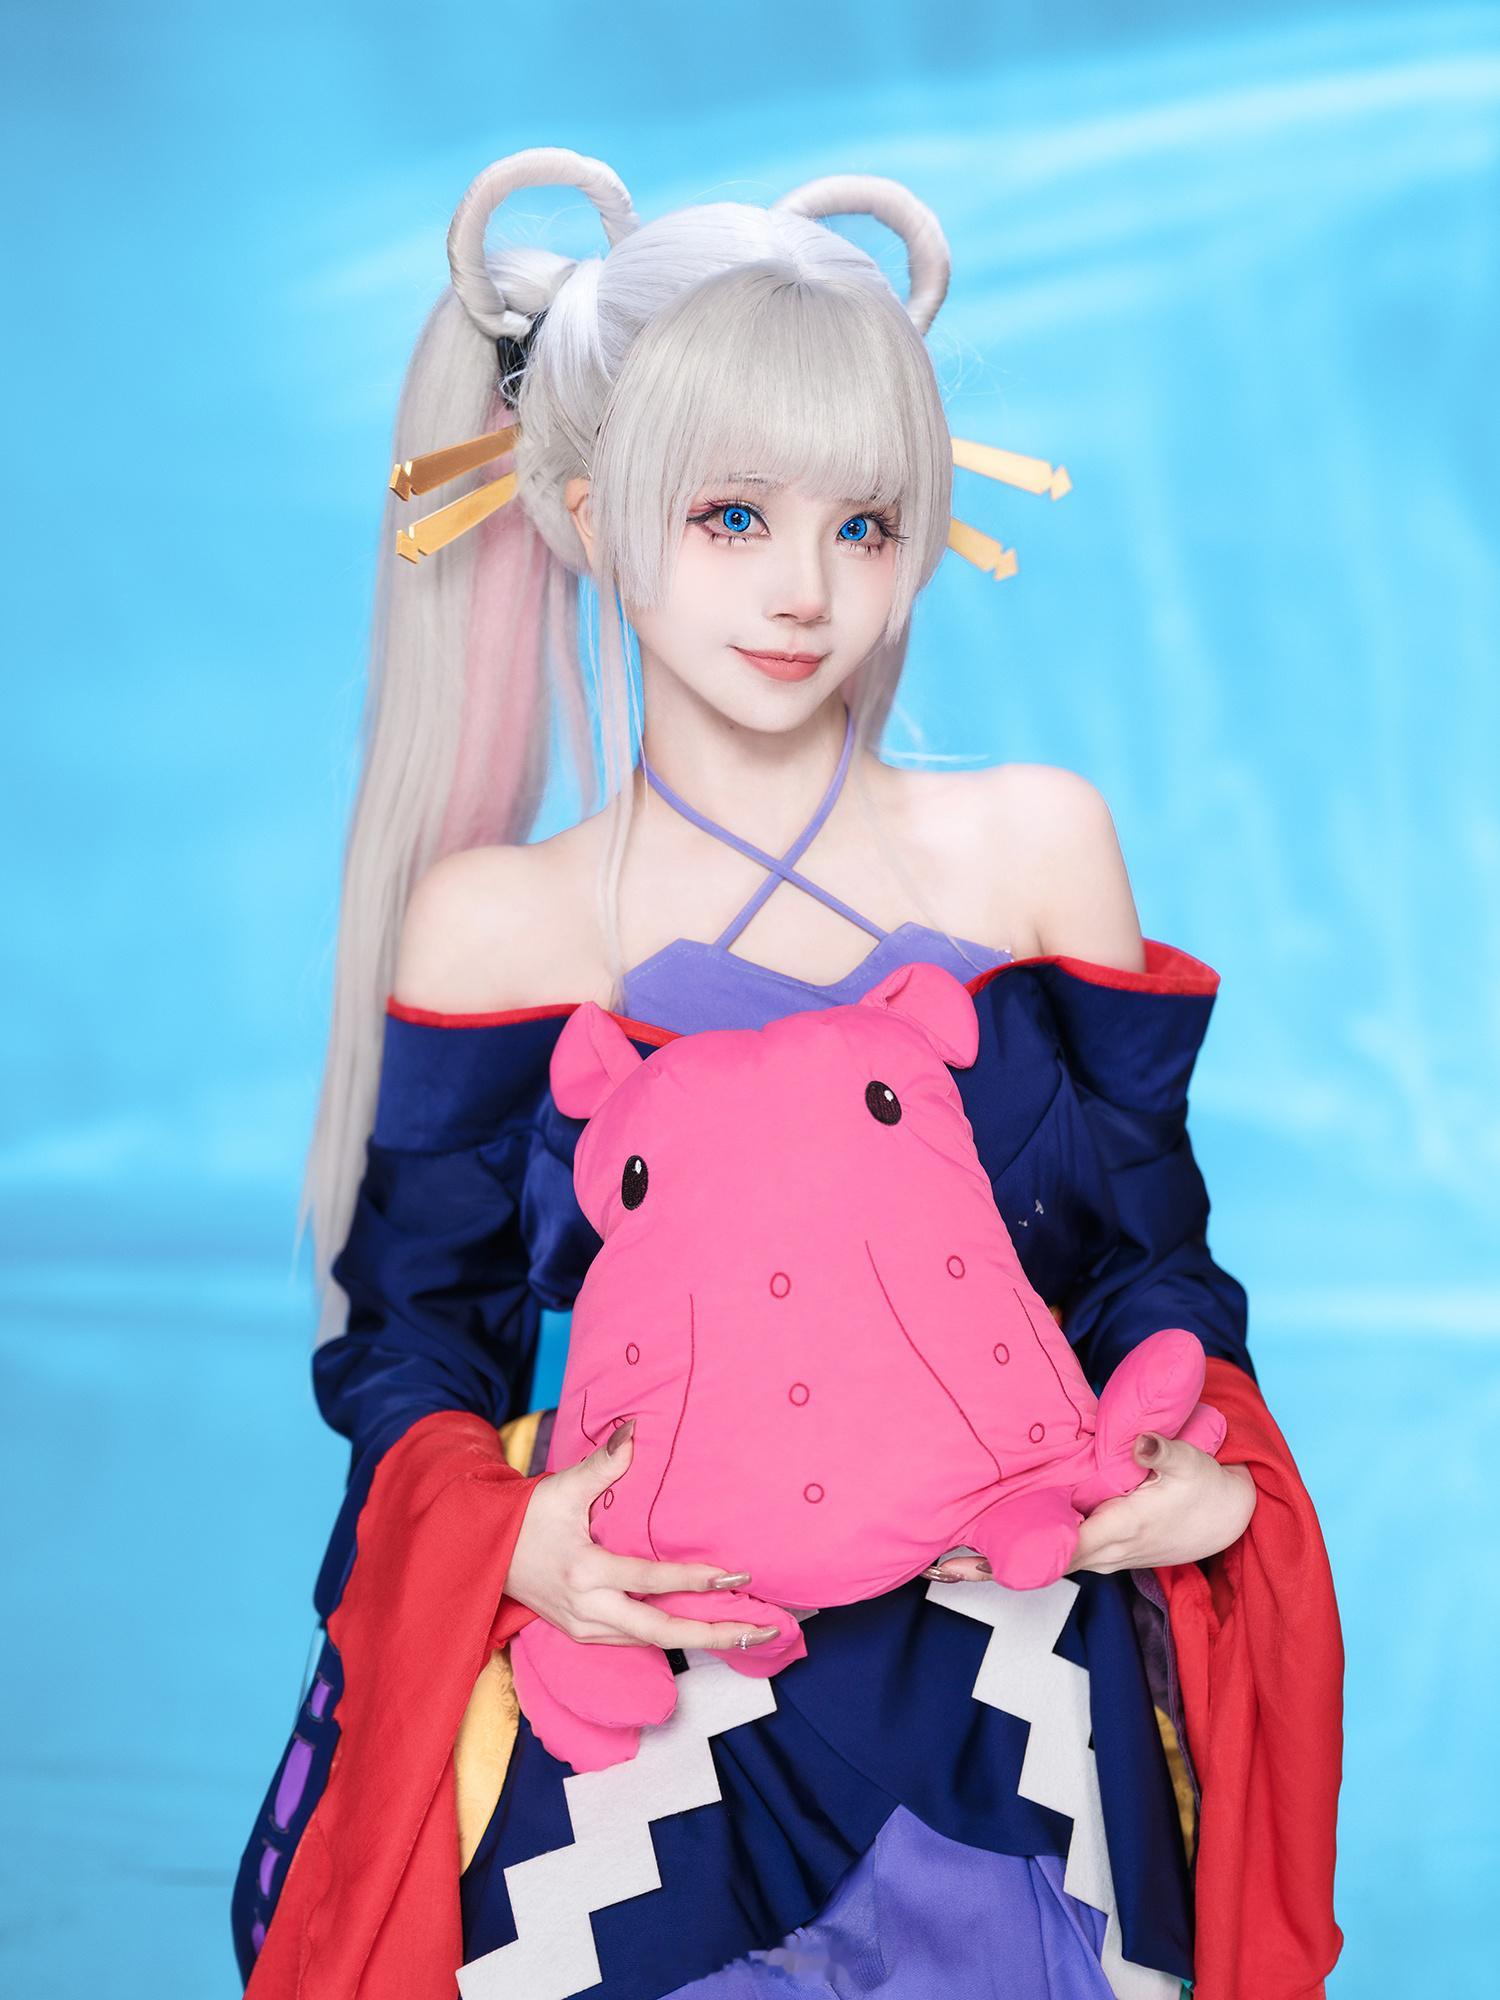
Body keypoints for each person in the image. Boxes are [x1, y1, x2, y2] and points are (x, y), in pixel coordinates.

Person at [233, 147, 1343, 1999]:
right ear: (587, 516)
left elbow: (1154, 1270)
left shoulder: (1035, 849)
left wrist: (1200, 1471)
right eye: (733, 516)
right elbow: (418, 1345)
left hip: (1014, 1679)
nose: (806, 590)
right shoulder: (498, 924)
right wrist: (512, 1541)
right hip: (643, 1704)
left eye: (865, 525)